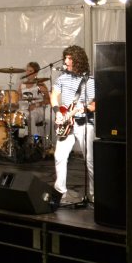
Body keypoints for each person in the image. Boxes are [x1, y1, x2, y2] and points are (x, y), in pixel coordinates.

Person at [51, 44, 96, 205]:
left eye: (69, 58)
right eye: (65, 58)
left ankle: (94, 194)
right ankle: (60, 191)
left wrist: (83, 109)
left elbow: (94, 105)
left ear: (78, 60)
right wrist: (57, 112)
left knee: (90, 160)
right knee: (59, 156)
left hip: (84, 123)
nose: (66, 61)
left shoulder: (90, 80)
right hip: (66, 123)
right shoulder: (62, 77)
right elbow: (54, 96)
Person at [19, 61, 52, 142]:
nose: (28, 72)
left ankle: (33, 140)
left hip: (37, 110)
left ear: (36, 73)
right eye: (27, 70)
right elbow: (18, 98)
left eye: (30, 71)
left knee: (31, 116)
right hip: (25, 109)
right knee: (16, 116)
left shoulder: (40, 84)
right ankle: (19, 140)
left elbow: (48, 99)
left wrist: (36, 104)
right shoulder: (22, 85)